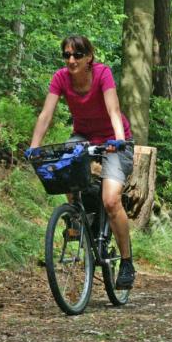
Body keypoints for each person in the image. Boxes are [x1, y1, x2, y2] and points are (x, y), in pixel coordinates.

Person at [25, 35, 136, 289]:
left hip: (114, 141)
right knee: (64, 164)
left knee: (110, 200)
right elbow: (46, 114)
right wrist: (34, 146)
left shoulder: (102, 74)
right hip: (84, 137)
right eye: (66, 55)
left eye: (77, 55)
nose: (71, 60)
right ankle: (76, 217)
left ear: (89, 58)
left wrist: (119, 139)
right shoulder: (60, 78)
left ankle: (127, 262)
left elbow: (113, 110)